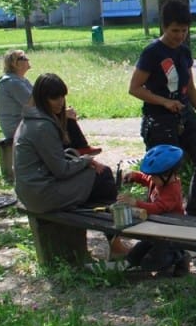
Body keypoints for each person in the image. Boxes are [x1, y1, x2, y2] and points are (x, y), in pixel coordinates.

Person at [14, 74, 127, 257]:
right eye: (54, 98)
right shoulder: (42, 126)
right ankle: (115, 243)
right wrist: (86, 161)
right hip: (42, 195)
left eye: (62, 96)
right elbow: (61, 170)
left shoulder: (30, 119)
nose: (60, 102)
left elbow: (54, 159)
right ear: (42, 99)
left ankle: (103, 236)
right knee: (104, 176)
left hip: (31, 190)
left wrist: (80, 161)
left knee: (97, 178)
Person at [129, 0, 196, 217]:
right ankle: (166, 220)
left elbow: (190, 87)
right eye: (175, 30)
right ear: (164, 27)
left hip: (184, 113)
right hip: (159, 119)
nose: (179, 36)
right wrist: (164, 101)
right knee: (165, 172)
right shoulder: (152, 53)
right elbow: (134, 88)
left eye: (184, 31)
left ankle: (195, 212)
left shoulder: (184, 52)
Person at [0, 49, 100, 153]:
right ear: (15, 63)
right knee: (62, 117)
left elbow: (38, 102)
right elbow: (34, 105)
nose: (28, 59)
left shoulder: (20, 80)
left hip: (26, 121)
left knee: (62, 114)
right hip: (18, 127)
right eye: (24, 58)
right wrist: (61, 113)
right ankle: (74, 150)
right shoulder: (12, 83)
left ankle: (77, 149)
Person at [116, 144, 191, 275]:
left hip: (171, 232)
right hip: (156, 230)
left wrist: (135, 202)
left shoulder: (172, 191)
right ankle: (156, 256)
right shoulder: (158, 180)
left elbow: (157, 208)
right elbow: (146, 179)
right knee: (134, 256)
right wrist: (135, 176)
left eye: (154, 176)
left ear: (167, 175)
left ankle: (180, 256)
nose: (152, 178)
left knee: (150, 264)